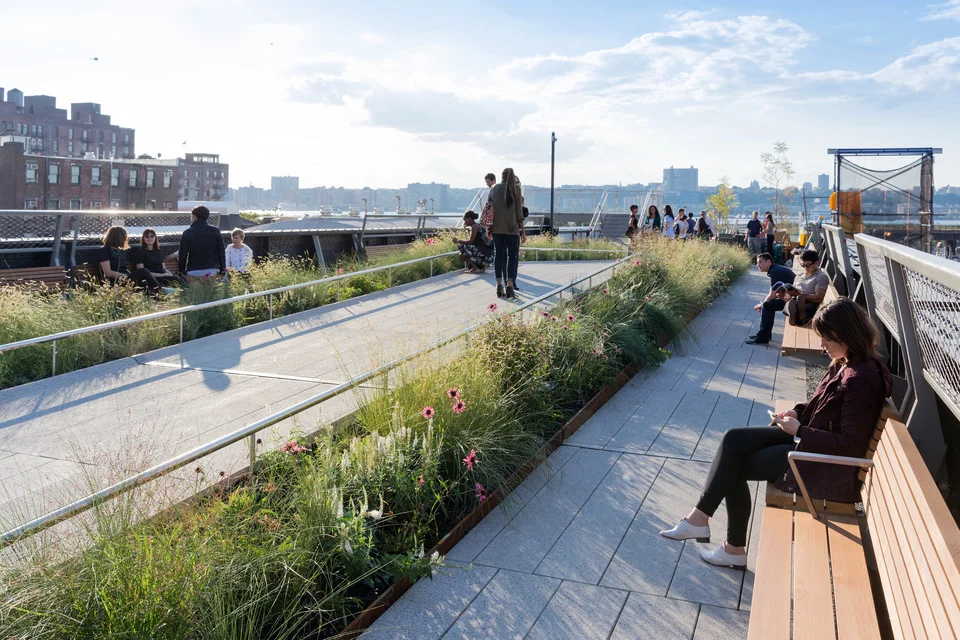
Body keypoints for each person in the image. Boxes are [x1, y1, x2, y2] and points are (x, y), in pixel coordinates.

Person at [661, 297, 892, 569]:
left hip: (824, 465)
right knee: (733, 438)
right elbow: (823, 406)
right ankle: (700, 521)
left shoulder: (860, 378)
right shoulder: (849, 362)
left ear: (847, 335)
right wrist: (796, 412)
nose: (822, 346)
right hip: (812, 441)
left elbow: (850, 444)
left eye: (826, 339)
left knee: (734, 465)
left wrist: (801, 431)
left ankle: (728, 545)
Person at [745, 249, 828, 345]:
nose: (805, 268)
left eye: (808, 265)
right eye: (802, 265)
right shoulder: (800, 275)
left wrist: (799, 295)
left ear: (817, 262)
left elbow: (818, 297)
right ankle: (764, 335)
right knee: (767, 305)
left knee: (798, 301)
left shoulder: (821, 276)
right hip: (792, 299)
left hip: (808, 303)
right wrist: (782, 295)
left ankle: (798, 314)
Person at [489, 167, 526, 299]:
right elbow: (519, 213)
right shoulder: (515, 189)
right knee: (512, 256)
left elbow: (489, 207)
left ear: (502, 176)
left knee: (498, 255)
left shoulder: (494, 188)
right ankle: (510, 285)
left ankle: (499, 285)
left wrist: (489, 227)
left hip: (497, 228)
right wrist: (523, 232)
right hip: (512, 228)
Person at [745, 252, 796, 345]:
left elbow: (772, 295)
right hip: (790, 298)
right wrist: (763, 303)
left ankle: (763, 337)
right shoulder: (775, 269)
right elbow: (772, 291)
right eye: (757, 262)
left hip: (793, 302)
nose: (757, 265)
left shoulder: (775, 271)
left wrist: (762, 304)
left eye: (760, 262)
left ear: (768, 262)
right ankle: (765, 334)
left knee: (767, 305)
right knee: (767, 305)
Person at [96, 226, 163, 292]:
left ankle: (160, 295)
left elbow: (125, 269)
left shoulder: (120, 251)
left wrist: (132, 276)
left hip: (126, 278)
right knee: (143, 271)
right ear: (117, 237)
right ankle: (161, 290)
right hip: (114, 281)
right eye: (124, 236)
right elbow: (108, 272)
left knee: (144, 283)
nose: (125, 239)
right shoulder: (104, 251)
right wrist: (127, 276)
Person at [178, 205, 226, 282]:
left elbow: (182, 254)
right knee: (209, 293)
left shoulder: (187, 233)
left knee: (195, 293)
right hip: (211, 270)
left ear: (194, 216)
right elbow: (221, 251)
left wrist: (181, 271)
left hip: (193, 270)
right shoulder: (215, 231)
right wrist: (222, 269)